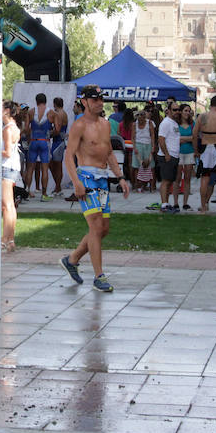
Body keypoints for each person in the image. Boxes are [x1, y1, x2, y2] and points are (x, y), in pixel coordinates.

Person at [60, 85, 130, 293]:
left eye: (101, 99)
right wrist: (76, 182)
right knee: (96, 227)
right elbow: (68, 156)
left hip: (102, 180)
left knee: (103, 229)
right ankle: (99, 276)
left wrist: (120, 177)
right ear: (85, 102)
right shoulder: (79, 125)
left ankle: (72, 259)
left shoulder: (106, 124)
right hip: (86, 178)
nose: (100, 103)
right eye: (95, 99)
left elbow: (109, 153)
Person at [0, 101, 21, 251]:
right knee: (10, 206)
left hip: (6, 167)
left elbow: (6, 152)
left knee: (7, 206)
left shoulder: (7, 129)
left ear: (6, 111)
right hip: (12, 167)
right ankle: (9, 239)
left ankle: (5, 240)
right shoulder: (13, 127)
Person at [23, 93, 52, 201]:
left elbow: (26, 128)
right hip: (44, 141)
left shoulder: (31, 112)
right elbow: (58, 129)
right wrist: (49, 134)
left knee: (30, 168)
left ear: (36, 101)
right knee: (44, 168)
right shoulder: (51, 112)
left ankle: (27, 191)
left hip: (34, 141)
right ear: (45, 101)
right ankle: (44, 194)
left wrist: (31, 135)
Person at [156, 102, 182, 213]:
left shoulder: (174, 123)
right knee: (166, 181)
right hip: (167, 156)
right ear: (169, 110)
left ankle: (166, 203)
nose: (177, 112)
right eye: (174, 110)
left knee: (170, 181)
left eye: (178, 109)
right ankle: (164, 204)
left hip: (174, 155)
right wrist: (166, 154)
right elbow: (161, 139)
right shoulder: (166, 123)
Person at [132, 110, 155, 196]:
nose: (140, 118)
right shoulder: (135, 124)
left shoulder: (149, 123)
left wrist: (153, 146)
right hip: (138, 144)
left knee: (151, 166)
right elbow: (133, 137)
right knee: (137, 166)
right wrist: (134, 147)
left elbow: (152, 135)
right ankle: (137, 186)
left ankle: (151, 186)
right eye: (139, 116)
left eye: (142, 116)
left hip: (147, 144)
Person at [48, 97, 68, 196]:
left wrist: (48, 134)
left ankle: (58, 188)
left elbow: (57, 130)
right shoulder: (63, 113)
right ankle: (58, 187)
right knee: (52, 164)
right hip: (58, 142)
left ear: (55, 104)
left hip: (58, 142)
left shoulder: (59, 114)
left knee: (57, 165)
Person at [177, 104, 195, 210]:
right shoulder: (176, 124)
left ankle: (185, 202)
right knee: (177, 178)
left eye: (189, 111)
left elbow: (194, 137)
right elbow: (175, 139)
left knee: (187, 178)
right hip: (178, 152)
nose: (187, 113)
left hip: (189, 152)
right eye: (185, 110)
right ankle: (175, 202)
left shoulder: (193, 124)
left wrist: (182, 139)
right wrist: (188, 138)